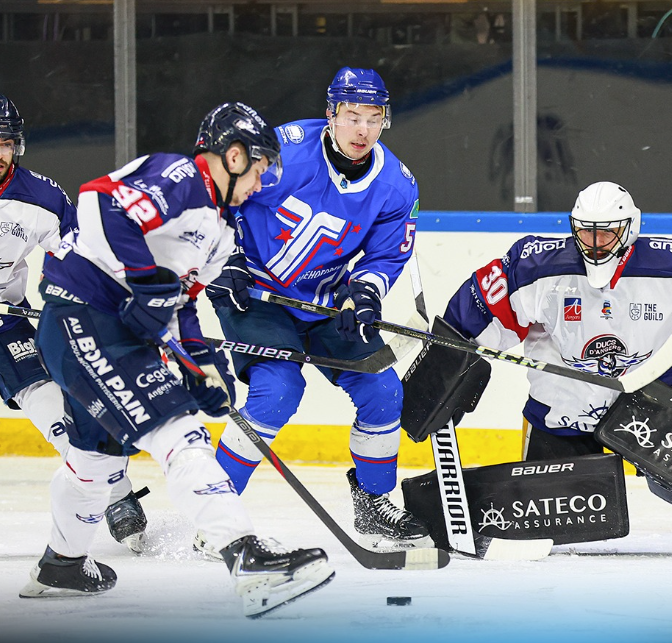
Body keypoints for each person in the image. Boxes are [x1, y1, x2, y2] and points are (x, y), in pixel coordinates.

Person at [20, 101, 334, 617]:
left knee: (95, 460)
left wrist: (203, 366)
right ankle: (245, 557)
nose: (260, 183)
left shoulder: (221, 232)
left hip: (104, 333)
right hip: (84, 318)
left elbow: (181, 303)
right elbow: (101, 201)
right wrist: (146, 281)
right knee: (179, 431)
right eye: (258, 169)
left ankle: (61, 565)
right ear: (234, 156)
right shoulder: (182, 178)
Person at [431, 180, 672, 551]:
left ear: (630, 229)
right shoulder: (536, 267)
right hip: (564, 412)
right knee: (550, 535)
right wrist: (447, 365)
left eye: (606, 234)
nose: (593, 243)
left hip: (657, 407)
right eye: (585, 233)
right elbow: (473, 312)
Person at [201, 67, 429, 553]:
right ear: (330, 114)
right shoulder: (284, 151)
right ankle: (214, 515)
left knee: (383, 389)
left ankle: (373, 501)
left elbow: (387, 256)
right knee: (278, 391)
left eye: (373, 118)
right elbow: (222, 195)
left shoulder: (396, 184)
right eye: (352, 116)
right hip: (256, 294)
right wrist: (227, 257)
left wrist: (363, 293)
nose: (362, 129)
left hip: (327, 301)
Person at [0, 94, 149, 553]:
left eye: (4, 142)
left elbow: (77, 256)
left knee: (48, 395)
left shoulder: (40, 198)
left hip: (4, 317)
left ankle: (116, 492)